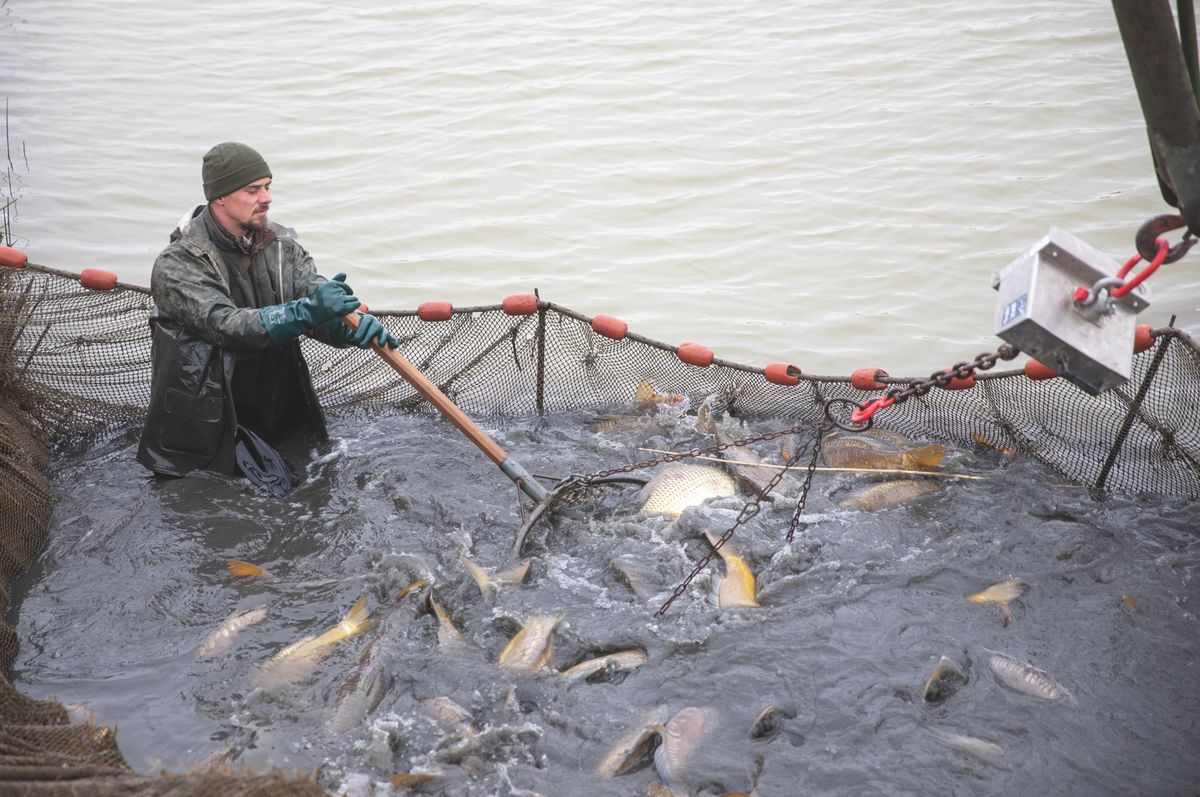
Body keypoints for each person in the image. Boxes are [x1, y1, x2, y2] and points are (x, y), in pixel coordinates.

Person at [137, 142, 398, 484]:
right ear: (219, 197)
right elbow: (226, 325)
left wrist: (348, 328)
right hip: (207, 428)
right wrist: (308, 311)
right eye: (253, 190)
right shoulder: (178, 264)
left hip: (280, 413)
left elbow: (312, 295)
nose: (267, 198)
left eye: (268, 187)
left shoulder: (282, 248)